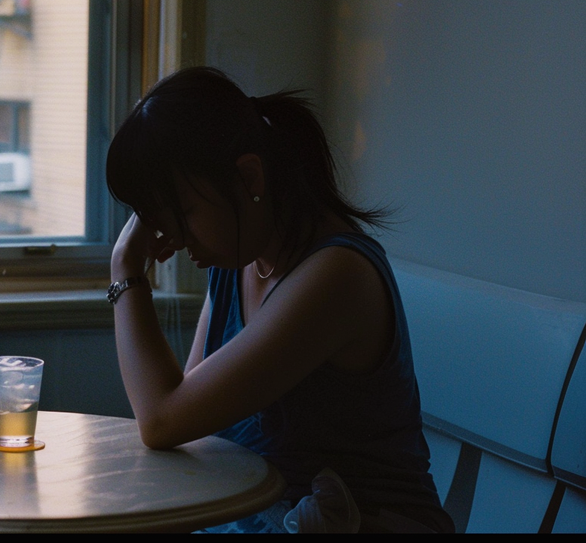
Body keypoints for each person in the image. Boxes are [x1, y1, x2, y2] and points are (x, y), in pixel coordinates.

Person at [105, 67, 453, 533]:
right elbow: (193, 425)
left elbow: (164, 420)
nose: (175, 238)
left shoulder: (337, 276)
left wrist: (125, 269)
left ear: (249, 176)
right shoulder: (238, 263)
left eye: (184, 212)